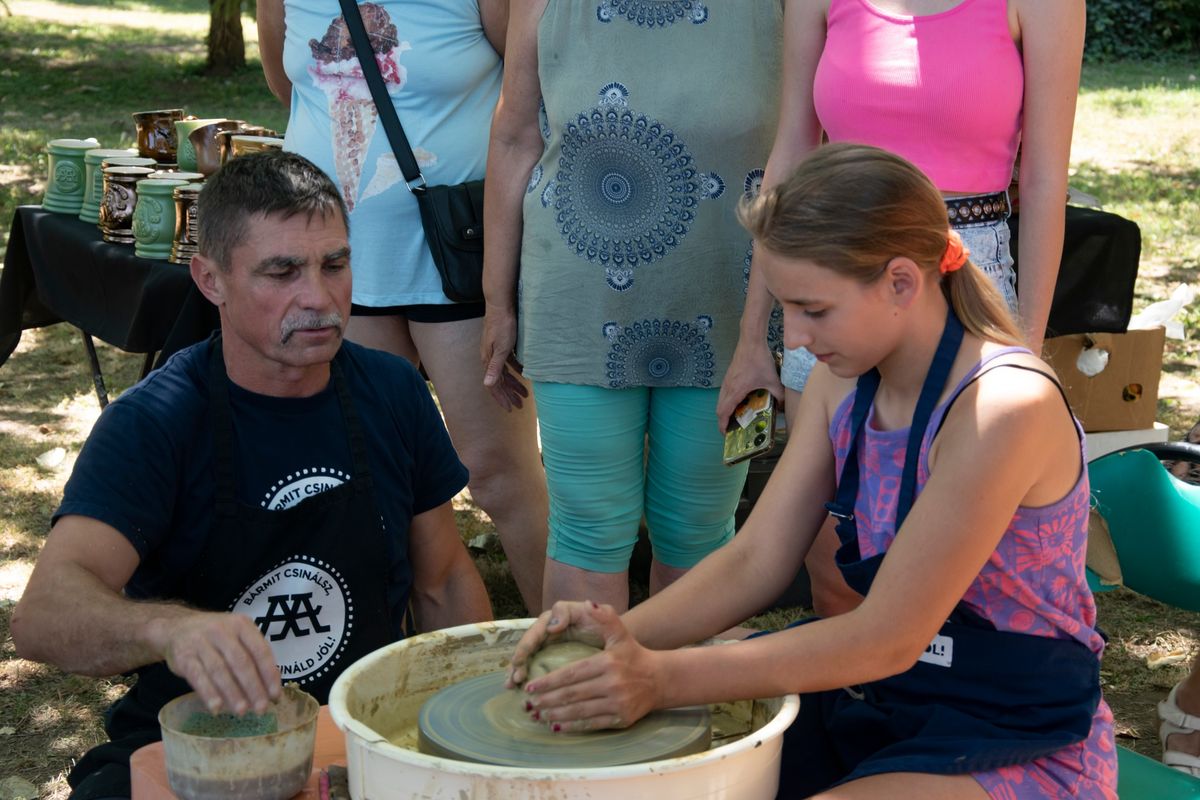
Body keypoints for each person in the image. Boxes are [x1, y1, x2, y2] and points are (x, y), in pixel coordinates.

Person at [504, 145, 1117, 799]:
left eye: (813, 309)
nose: (793, 337)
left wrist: (660, 676)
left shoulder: (1003, 406)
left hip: (1018, 724)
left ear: (902, 283)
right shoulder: (841, 380)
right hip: (892, 696)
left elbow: (885, 638)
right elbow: (756, 561)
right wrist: (619, 636)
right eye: (783, 309)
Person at [11, 151, 493, 800]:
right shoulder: (155, 422)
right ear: (211, 280)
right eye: (282, 271)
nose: (318, 299)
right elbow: (42, 617)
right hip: (199, 751)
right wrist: (168, 629)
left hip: (363, 731)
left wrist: (478, 714)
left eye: (335, 265)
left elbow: (443, 583)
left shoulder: (394, 392)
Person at [716, 0, 1085, 617]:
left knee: (957, 558)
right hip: (834, 288)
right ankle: (855, 705)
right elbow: (790, 157)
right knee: (832, 554)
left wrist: (1027, 354)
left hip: (966, 283)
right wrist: (754, 338)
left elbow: (1046, 177)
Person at [480, 0, 783, 611]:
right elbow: (514, 134)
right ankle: (585, 702)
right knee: (586, 530)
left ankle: (690, 702)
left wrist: (767, 328)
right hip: (573, 304)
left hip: (744, 312)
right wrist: (498, 299)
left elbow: (809, 141)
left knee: (705, 532)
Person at [257, 0, 550, 613]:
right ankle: (397, 669)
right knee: (374, 480)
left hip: (457, 259)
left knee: (497, 472)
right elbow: (285, 81)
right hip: (333, 267)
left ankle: (576, 658)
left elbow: (532, 87)